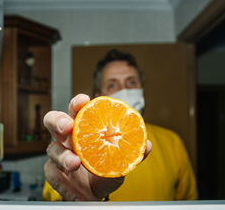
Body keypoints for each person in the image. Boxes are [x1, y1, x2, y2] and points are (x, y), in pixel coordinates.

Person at [42, 49, 198, 202]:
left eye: (131, 82)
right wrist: (79, 197)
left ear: (142, 89)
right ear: (98, 95)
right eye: (112, 85)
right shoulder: (80, 147)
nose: (124, 90)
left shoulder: (172, 142)